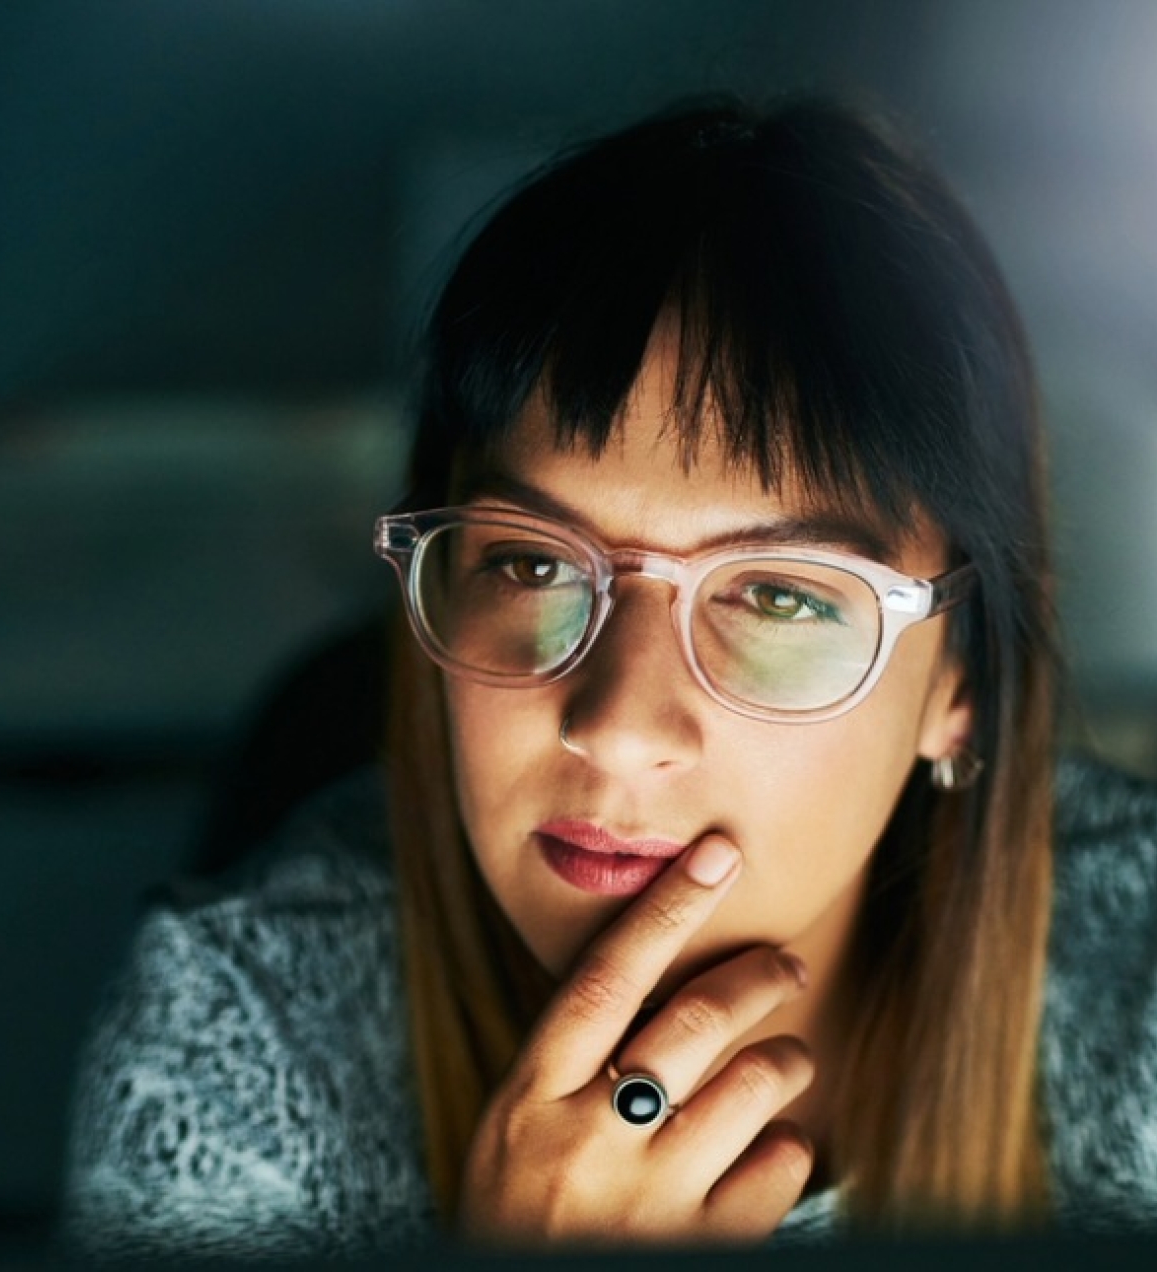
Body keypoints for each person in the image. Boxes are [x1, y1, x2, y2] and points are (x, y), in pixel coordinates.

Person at [64, 96, 1157, 1259]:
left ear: (962, 684)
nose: (619, 728)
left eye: (780, 597)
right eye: (532, 563)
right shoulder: (238, 1039)